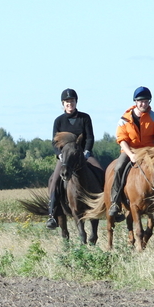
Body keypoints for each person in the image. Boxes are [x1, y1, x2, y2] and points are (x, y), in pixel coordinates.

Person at [109, 87, 154, 223]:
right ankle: (115, 202)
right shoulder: (124, 119)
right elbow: (122, 140)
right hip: (131, 151)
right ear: (135, 101)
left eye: (146, 101)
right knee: (118, 168)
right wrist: (130, 155)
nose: (143, 104)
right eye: (141, 101)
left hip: (149, 151)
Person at [46, 88, 101, 229]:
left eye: (72, 101)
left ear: (76, 102)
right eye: (67, 101)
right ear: (63, 104)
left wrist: (87, 151)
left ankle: (112, 206)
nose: (69, 103)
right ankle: (52, 214)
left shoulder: (84, 118)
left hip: (83, 154)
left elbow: (90, 137)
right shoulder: (58, 121)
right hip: (65, 157)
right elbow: (54, 142)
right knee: (54, 180)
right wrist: (59, 154)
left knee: (102, 172)